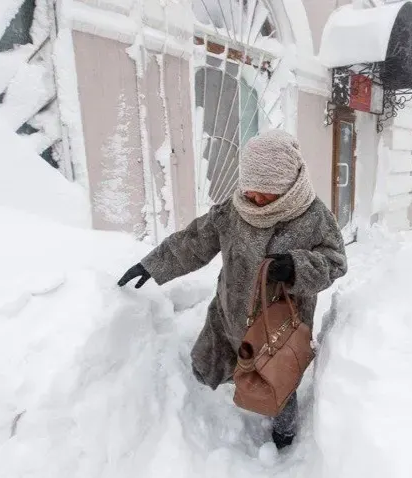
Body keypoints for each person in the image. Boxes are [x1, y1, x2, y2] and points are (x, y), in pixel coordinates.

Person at [117, 129, 348, 450]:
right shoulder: (235, 209)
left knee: (278, 379)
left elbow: (335, 261)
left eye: (263, 193)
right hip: (231, 313)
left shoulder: (314, 217)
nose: (254, 199)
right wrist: (153, 265)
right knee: (212, 365)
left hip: (280, 324)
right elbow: (195, 240)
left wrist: (297, 267)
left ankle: (284, 432)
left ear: (286, 184)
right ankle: (205, 409)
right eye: (249, 190)